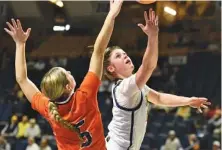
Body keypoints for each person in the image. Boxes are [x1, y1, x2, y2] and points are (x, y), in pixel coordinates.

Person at [4, 0, 123, 149]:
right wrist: (111, 15)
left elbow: (21, 79)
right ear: (68, 86)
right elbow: (99, 50)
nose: (69, 71)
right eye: (66, 73)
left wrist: (19, 45)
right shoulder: (84, 96)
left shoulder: (49, 108)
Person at [103, 8, 211, 150]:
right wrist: (153, 36)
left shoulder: (134, 87)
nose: (124, 55)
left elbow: (159, 98)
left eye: (124, 53)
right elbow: (148, 67)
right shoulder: (123, 88)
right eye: (118, 56)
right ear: (111, 68)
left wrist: (189, 101)